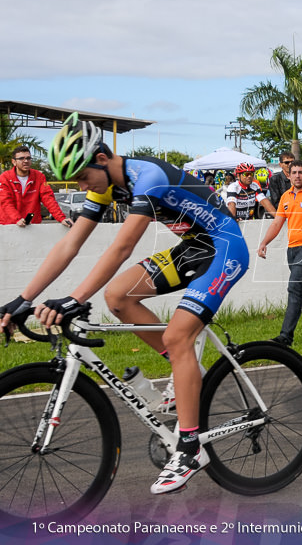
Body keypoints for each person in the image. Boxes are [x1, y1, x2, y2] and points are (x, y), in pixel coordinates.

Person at [0, 113, 250, 494]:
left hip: (224, 247)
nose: (83, 186)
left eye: (83, 177)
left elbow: (122, 247)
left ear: (101, 159)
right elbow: (70, 244)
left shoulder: (148, 176)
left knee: (179, 335)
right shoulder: (104, 186)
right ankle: (185, 372)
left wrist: (73, 299)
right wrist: (22, 298)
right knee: (117, 296)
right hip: (193, 248)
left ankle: (189, 448)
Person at [257, 159, 302, 345]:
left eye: (301, 172)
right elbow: (277, 223)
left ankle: (285, 336)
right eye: (294, 172)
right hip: (292, 249)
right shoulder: (285, 197)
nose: (297, 175)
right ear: (288, 175)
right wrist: (264, 242)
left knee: (295, 288)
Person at [0, 145, 71, 227]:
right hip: (9, 225)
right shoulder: (5, 177)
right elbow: (5, 202)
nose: (26, 161)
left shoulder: (39, 176)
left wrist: (61, 218)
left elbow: (48, 198)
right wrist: (17, 219)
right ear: (14, 162)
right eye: (21, 158)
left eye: (28, 158)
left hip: (32, 225)